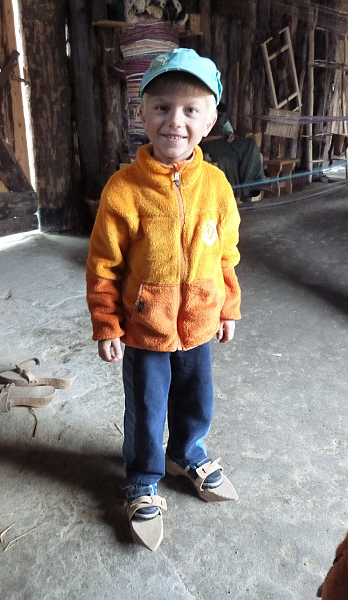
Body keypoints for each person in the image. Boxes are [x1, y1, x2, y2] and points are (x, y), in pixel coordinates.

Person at [86, 48, 241, 551]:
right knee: (147, 408)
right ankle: (143, 475)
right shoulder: (123, 190)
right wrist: (107, 322)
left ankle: (186, 453)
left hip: (199, 322)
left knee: (197, 398)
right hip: (145, 328)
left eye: (191, 109)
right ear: (142, 114)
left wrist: (227, 307)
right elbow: (103, 265)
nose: (175, 121)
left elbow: (227, 255)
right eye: (162, 107)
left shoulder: (216, 186)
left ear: (210, 121)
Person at [201, 101, 266, 202]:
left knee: (250, 145)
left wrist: (229, 133)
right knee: (249, 145)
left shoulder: (220, 107)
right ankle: (252, 187)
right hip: (208, 143)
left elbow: (226, 125)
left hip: (224, 141)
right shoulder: (203, 106)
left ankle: (251, 187)